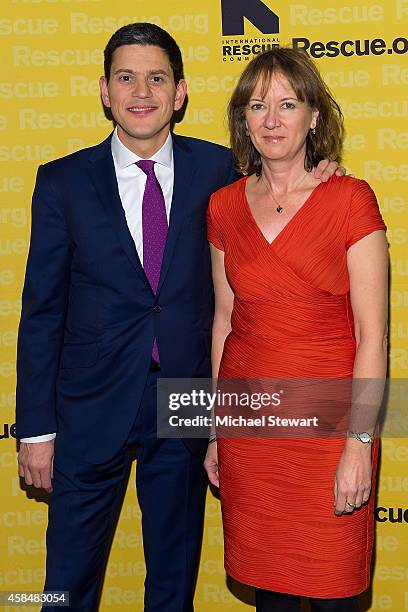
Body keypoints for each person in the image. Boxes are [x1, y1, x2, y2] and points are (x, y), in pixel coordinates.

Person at [15, 23, 343, 612]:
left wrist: (325, 174)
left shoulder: (221, 172)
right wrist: (36, 430)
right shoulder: (61, 181)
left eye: (157, 77)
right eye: (126, 77)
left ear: (181, 91)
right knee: (63, 586)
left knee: (174, 582)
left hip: (187, 398)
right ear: (104, 91)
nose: (142, 91)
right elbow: (41, 313)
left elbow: (286, 191)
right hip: (88, 405)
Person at [205, 47, 388, 612]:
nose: (271, 119)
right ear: (243, 120)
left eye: (288, 103)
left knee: (336, 591)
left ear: (314, 116)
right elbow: (225, 320)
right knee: (272, 596)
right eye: (257, 105)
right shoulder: (222, 207)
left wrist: (358, 445)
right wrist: (213, 429)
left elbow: (373, 335)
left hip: (330, 429)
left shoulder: (351, 199)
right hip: (250, 429)